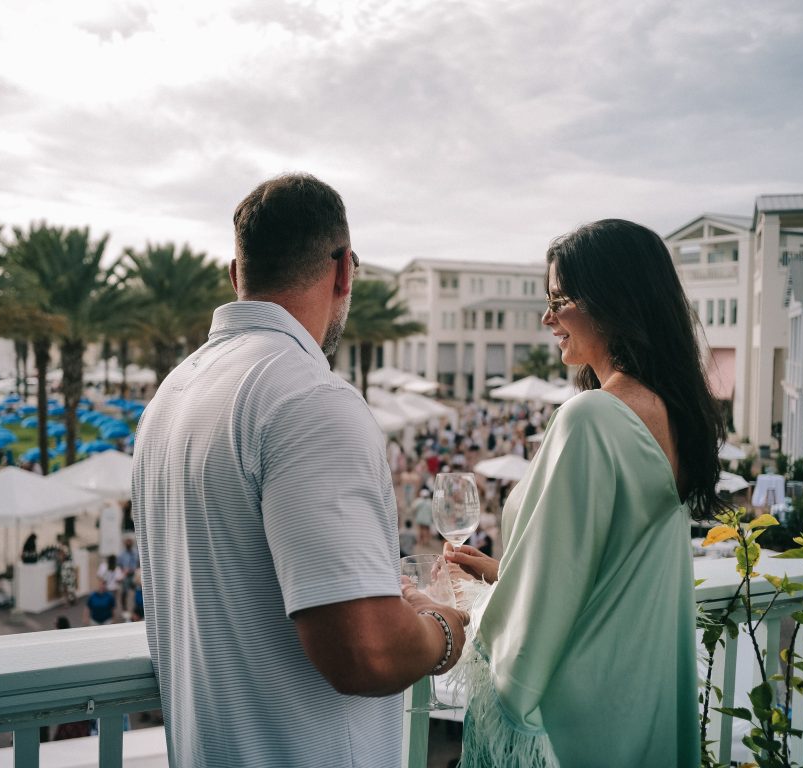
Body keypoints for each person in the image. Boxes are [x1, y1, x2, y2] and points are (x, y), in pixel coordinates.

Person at [132, 173, 469, 767]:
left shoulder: (172, 396)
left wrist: (379, 598)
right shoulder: (309, 397)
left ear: (237, 276)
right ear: (343, 270)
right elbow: (366, 654)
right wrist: (441, 630)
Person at [443, 219, 724, 767]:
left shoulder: (592, 417)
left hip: (583, 718)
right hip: (639, 697)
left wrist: (451, 610)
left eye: (559, 300)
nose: (547, 318)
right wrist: (504, 573)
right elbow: (604, 570)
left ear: (612, 301)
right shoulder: (671, 414)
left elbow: (543, 608)